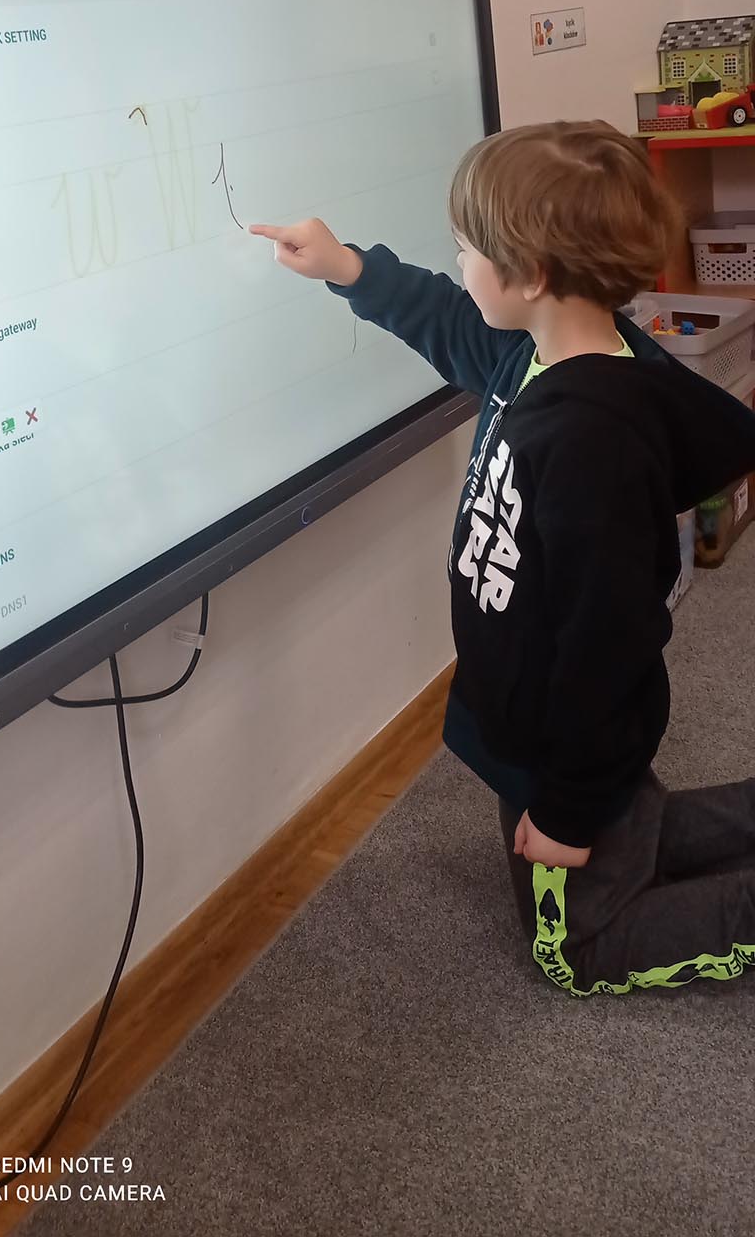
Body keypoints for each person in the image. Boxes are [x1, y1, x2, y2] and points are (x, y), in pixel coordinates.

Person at [250, 119, 755, 997]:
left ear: (531, 275)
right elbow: (447, 320)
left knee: (577, 950)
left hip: (567, 742)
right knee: (630, 824)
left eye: (467, 249)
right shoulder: (534, 352)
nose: (458, 263)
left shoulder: (593, 445)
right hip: (540, 723)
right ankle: (621, 822)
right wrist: (351, 268)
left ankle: (612, 838)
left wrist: (564, 812)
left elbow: (606, 653)